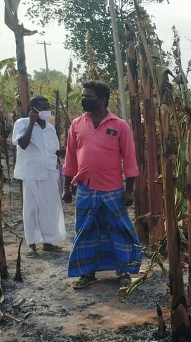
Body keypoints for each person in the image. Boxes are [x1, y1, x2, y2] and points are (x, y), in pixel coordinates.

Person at [62, 81, 142, 289]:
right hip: (86, 189)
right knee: (86, 230)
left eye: (88, 96)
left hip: (113, 189)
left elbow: (130, 159)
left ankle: (124, 271)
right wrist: (66, 188)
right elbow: (70, 157)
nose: (83, 99)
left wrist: (129, 190)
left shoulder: (119, 125)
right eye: (83, 95)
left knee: (119, 230)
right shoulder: (77, 124)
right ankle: (87, 273)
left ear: (102, 100)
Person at [12, 95, 67, 254]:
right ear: (33, 110)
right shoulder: (21, 123)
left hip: (50, 171)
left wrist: (64, 152)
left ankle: (48, 241)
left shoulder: (50, 128)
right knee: (32, 209)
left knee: (50, 207)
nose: (46, 111)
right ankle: (32, 244)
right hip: (32, 173)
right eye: (42, 108)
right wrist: (31, 122)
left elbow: (53, 150)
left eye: (48, 107)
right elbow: (22, 144)